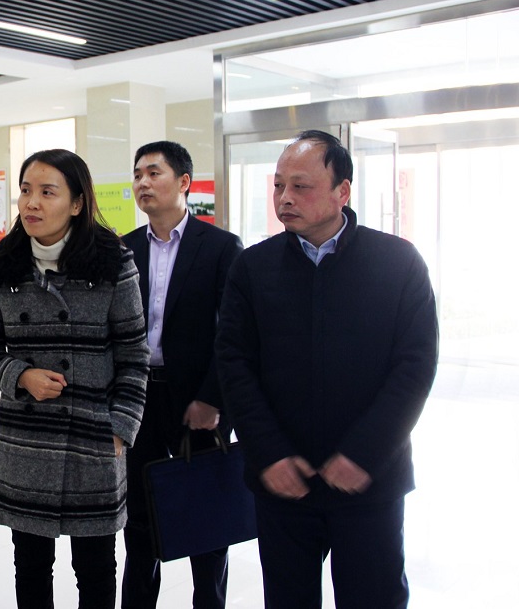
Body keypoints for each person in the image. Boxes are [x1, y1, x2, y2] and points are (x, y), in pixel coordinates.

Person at [215, 130, 438, 609]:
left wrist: (363, 454)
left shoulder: (397, 263)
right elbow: (234, 364)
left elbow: (415, 367)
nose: (285, 197)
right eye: (278, 185)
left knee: (373, 597)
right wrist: (270, 453)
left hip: (369, 482)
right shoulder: (253, 268)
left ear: (343, 191)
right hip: (283, 483)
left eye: (301, 186)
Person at [0, 149, 149, 609]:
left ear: (76, 203)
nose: (31, 202)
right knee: (30, 566)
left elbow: (134, 354)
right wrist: (20, 375)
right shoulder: (4, 262)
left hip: (94, 439)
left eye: (47, 192)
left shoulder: (112, 261)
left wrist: (120, 428)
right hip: (26, 441)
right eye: (25, 190)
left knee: (96, 570)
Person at [120, 141, 243, 609]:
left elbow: (233, 335)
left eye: (154, 173)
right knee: (139, 520)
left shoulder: (221, 248)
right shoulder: (124, 248)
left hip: (199, 403)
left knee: (207, 521)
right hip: (139, 400)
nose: (143, 183)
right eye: (138, 175)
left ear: (184, 182)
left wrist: (213, 398)